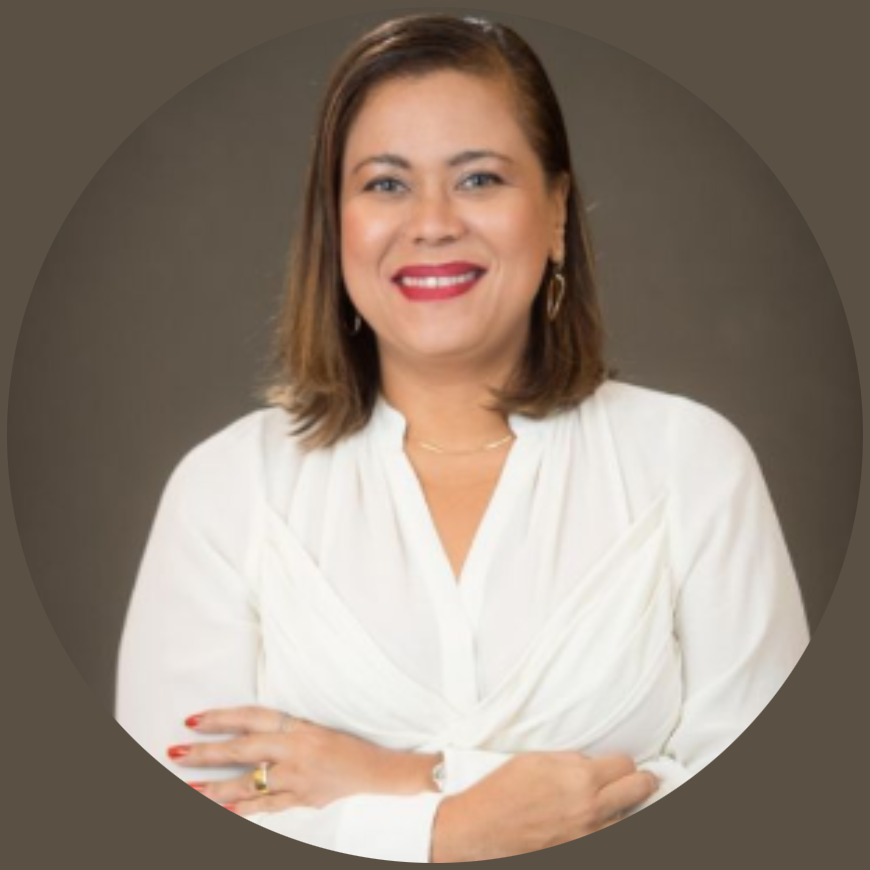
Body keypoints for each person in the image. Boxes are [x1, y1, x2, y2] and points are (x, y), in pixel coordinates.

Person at [115, 14, 809, 862]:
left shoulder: (692, 465)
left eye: (479, 178)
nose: (433, 222)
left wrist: (398, 780)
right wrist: (458, 825)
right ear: (335, 223)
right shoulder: (228, 489)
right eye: (385, 184)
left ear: (556, 211)